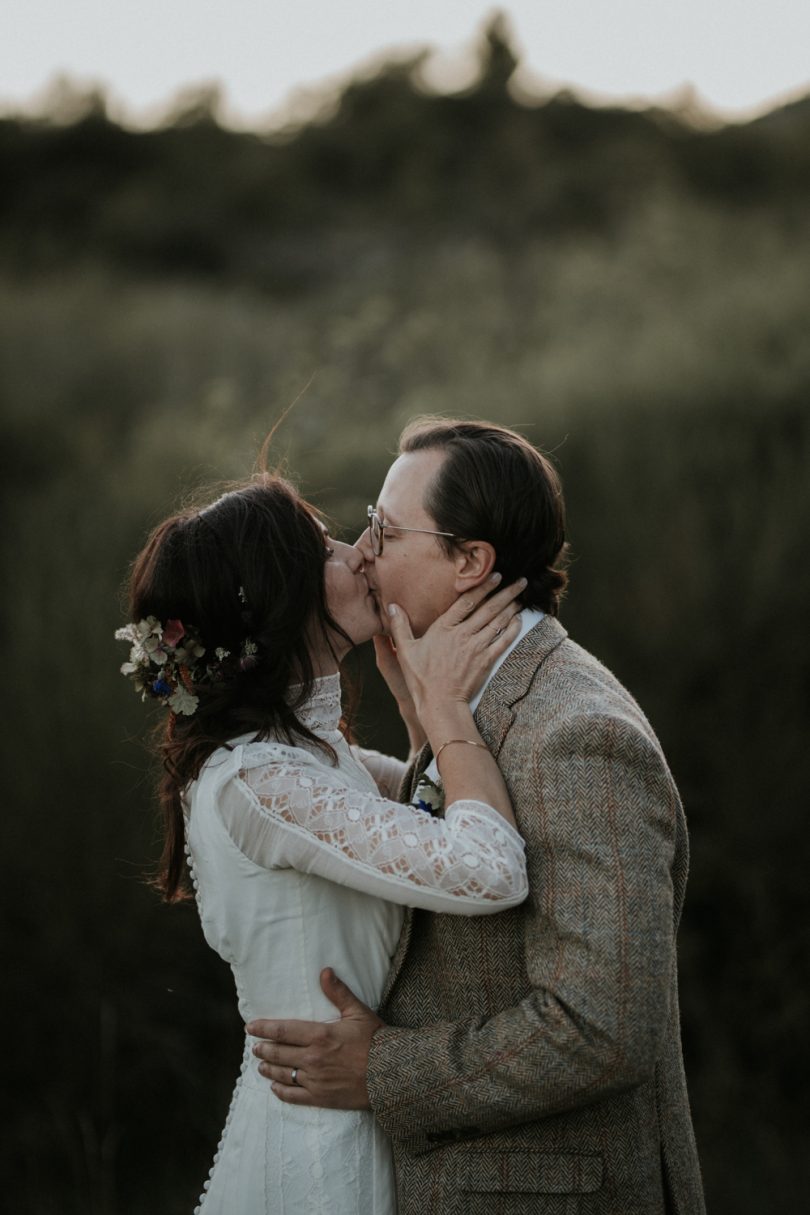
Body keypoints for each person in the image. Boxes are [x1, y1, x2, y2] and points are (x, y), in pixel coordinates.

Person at [248, 419, 707, 1215]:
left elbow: (602, 1026)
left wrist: (381, 1069)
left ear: (470, 562)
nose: (363, 549)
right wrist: (423, 723)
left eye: (387, 531)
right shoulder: (475, 689)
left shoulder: (578, 735)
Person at [115, 470, 531, 1215]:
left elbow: (430, 817)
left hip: (354, 1121)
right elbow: (489, 866)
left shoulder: (306, 759)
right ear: (282, 600)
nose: (359, 554)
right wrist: (446, 708)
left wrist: (412, 705)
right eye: (327, 549)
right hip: (323, 1160)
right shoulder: (263, 782)